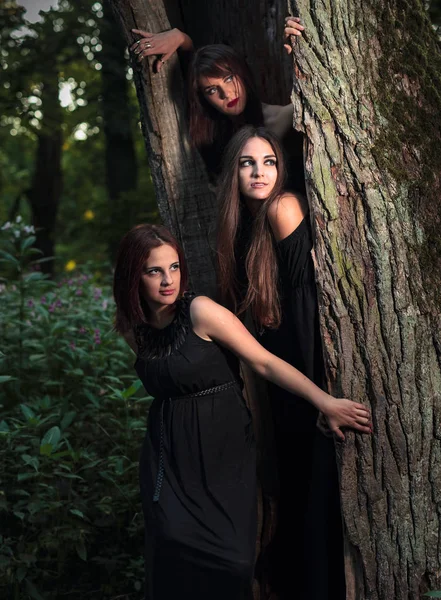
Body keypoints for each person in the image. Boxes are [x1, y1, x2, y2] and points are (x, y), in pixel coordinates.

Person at [113, 223, 371, 600]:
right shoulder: (133, 327)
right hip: (169, 456)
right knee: (172, 550)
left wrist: (325, 401)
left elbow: (263, 362)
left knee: (232, 562)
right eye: (154, 271)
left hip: (223, 445)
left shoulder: (201, 312)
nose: (168, 280)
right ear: (134, 274)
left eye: (174, 267)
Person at [216, 125, 358, 599]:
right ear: (232, 172)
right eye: (247, 163)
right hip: (280, 377)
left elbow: (304, 308)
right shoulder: (241, 229)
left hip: (305, 368)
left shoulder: (282, 207)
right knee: (294, 489)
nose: (260, 173)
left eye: (269, 162)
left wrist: (320, 391)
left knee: (316, 492)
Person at [130, 18, 305, 185]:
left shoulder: (279, 119)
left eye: (229, 78)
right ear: (204, 99)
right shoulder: (211, 136)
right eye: (212, 90)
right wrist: (180, 38)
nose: (226, 93)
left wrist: (301, 51)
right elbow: (193, 70)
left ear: (242, 73)